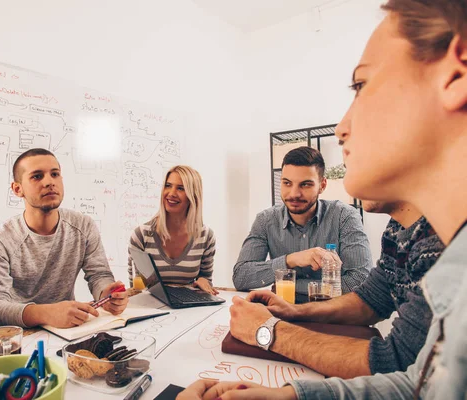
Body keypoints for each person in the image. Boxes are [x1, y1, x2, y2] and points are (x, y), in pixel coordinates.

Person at [179, 0, 467, 398]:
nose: (342, 128)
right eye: (287, 183)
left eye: (361, 86)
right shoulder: (410, 233)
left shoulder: (356, 220)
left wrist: (269, 330)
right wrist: (292, 321)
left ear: (455, 75)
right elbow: (404, 361)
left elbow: (395, 358)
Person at [228, 201, 444, 378]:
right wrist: (293, 311)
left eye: (346, 145)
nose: (345, 162)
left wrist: (268, 331)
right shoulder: (397, 229)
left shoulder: (440, 239)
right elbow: (371, 299)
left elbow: (403, 362)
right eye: (286, 182)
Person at [0, 148, 128, 329]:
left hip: (68, 331)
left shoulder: (83, 226)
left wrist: (106, 293)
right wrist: (47, 313)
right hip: (18, 337)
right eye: (37, 176)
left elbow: (99, 275)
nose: (49, 182)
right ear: (18, 189)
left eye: (55, 174)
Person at [233, 146, 372, 295]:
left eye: (305, 184)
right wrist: (291, 260)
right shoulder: (266, 220)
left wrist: (292, 285)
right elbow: (241, 277)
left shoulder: (344, 217)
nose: (294, 194)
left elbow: (360, 280)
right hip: (283, 312)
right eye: (287, 183)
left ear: (322, 185)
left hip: (332, 316)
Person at [128, 165, 217, 294]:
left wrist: (204, 280)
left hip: (189, 308)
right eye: (168, 186)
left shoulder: (205, 236)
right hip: (152, 307)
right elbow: (137, 289)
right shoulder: (141, 235)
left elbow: (206, 281)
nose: (171, 193)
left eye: (180, 188)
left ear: (193, 195)